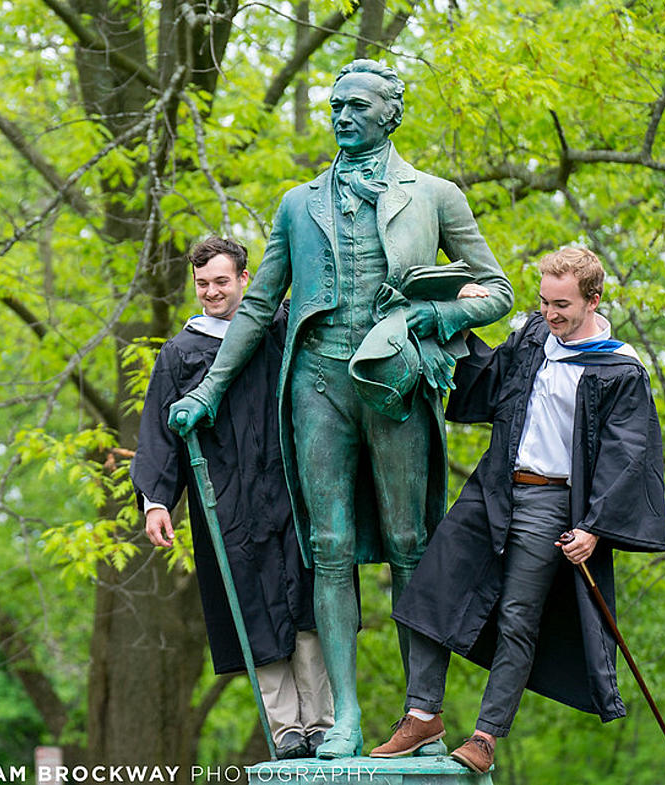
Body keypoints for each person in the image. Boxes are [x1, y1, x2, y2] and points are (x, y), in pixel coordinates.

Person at [167, 60, 513, 758]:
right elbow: (260, 302)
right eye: (334, 107)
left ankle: (423, 711)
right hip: (317, 384)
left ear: (391, 112)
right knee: (327, 550)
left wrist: (430, 319)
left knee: (410, 543)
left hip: (394, 386)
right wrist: (209, 389)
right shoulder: (299, 203)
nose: (342, 117)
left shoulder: (435, 195)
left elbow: (497, 291)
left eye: (357, 105)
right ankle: (346, 714)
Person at [371, 248, 665, 773]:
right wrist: (456, 313)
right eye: (543, 302)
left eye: (561, 306)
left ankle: (485, 738)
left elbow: (628, 456)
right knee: (430, 589)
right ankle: (422, 715)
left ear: (593, 300)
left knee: (517, 617)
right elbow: (485, 379)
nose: (550, 314)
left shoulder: (619, 369)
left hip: (554, 502)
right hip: (496, 486)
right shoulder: (533, 338)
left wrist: (593, 527)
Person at [130, 236, 332, 759]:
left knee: (308, 603)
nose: (212, 292)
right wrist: (156, 500)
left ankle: (325, 722)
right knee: (252, 605)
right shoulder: (182, 352)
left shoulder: (278, 327)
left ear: (246, 278)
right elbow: (160, 430)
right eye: (202, 284)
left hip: (293, 488)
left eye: (222, 281)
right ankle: (286, 729)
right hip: (227, 503)